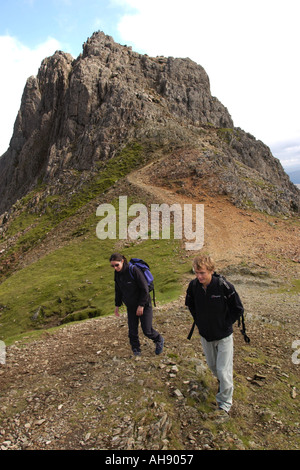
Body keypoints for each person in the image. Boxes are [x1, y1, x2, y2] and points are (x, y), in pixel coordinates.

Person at [185, 254, 244, 420]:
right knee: (213, 367)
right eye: (196, 272)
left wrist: (225, 324)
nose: (199, 276)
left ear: (211, 270)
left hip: (224, 336)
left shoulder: (224, 286)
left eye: (202, 273)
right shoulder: (193, 286)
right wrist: (200, 322)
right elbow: (190, 304)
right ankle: (224, 385)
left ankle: (224, 404)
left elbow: (238, 308)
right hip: (205, 335)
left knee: (224, 370)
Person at [110, 253, 164, 357]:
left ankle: (158, 339)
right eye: (112, 266)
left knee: (147, 330)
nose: (115, 268)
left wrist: (141, 305)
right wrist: (117, 305)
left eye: (116, 265)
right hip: (130, 306)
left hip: (144, 304)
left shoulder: (133, 270)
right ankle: (136, 350)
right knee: (132, 331)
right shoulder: (117, 274)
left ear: (122, 261)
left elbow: (144, 289)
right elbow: (118, 290)